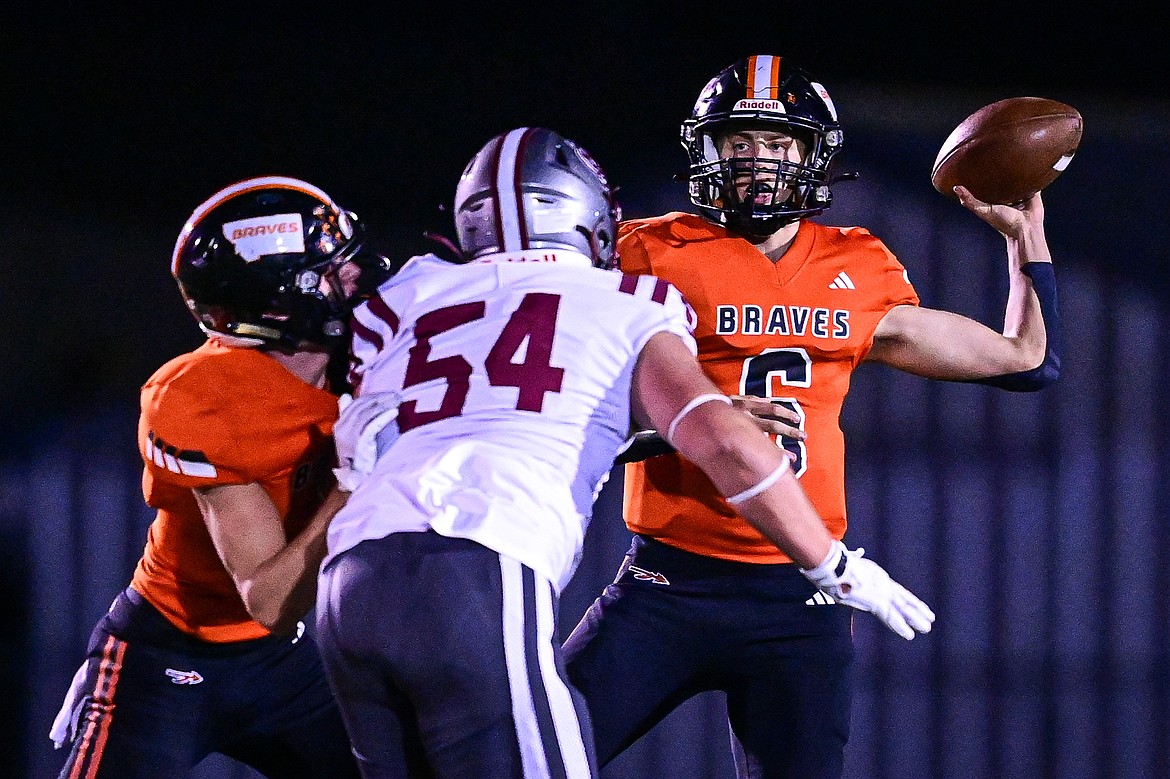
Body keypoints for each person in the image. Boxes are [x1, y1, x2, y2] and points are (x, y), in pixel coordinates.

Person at [313, 126, 933, 779]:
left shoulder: (412, 289)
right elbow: (727, 444)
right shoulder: (629, 300)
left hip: (351, 575)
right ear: (584, 215)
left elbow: (360, 429)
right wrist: (834, 564)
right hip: (478, 562)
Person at [562, 54, 1061, 779]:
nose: (756, 161)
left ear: (812, 154)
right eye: (738, 143)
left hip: (802, 598)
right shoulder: (646, 253)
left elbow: (1027, 360)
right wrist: (685, 425)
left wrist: (1026, 240)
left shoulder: (857, 264)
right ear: (708, 151)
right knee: (525, 757)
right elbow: (556, 404)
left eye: (777, 144)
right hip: (663, 588)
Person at [50, 175, 393, 778]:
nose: (358, 279)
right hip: (166, 658)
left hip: (281, 663)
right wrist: (353, 486)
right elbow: (267, 598)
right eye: (331, 271)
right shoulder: (204, 397)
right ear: (278, 301)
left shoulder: (370, 355)